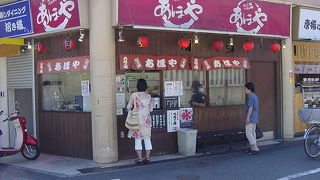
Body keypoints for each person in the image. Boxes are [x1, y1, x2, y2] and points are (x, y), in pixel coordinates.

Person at [127, 79, 153, 165]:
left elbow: (129, 106)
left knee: (138, 139)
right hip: (146, 121)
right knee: (147, 139)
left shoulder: (134, 95)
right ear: (145, 86)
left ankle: (140, 159)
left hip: (137, 120)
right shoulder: (149, 96)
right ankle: (148, 158)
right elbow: (151, 109)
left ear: (137, 86)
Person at [244, 82, 260, 155]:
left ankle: (255, 147)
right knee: (253, 132)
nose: (245, 90)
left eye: (246, 89)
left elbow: (250, 107)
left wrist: (247, 117)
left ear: (249, 89)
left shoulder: (250, 97)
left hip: (251, 117)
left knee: (248, 132)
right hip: (255, 116)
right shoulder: (255, 96)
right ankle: (253, 148)